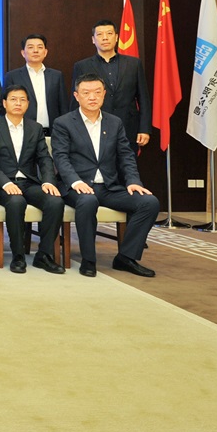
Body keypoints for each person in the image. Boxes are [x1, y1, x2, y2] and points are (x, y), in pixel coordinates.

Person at [51, 73, 160, 278]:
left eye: (97, 92)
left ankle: (126, 257)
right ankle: (88, 260)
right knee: (88, 201)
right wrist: (75, 181)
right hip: (78, 187)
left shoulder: (114, 122)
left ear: (104, 94)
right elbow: (61, 158)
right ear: (76, 96)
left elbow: (126, 155)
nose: (92, 97)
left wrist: (133, 181)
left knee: (149, 202)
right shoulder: (63, 123)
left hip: (109, 187)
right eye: (86, 93)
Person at [0, 85, 65, 275]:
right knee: (16, 202)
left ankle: (44, 254)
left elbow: (44, 158)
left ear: (28, 104)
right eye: (13, 99)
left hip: (29, 182)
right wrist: (6, 183)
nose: (18, 103)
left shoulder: (35, 128)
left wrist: (48, 181)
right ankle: (18, 255)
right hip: (1, 185)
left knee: (55, 201)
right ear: (4, 103)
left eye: (22, 100)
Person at [71, 19, 151, 154]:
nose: (105, 38)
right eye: (100, 34)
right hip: (95, 127)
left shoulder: (133, 64)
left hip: (128, 127)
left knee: (127, 164)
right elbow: (76, 101)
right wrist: (75, 130)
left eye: (109, 33)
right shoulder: (82, 66)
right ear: (93, 39)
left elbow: (143, 98)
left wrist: (144, 129)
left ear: (116, 37)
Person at [3, 34, 69, 135]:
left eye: (39, 47)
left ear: (45, 52)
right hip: (23, 131)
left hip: (52, 131)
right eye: (30, 47)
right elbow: (6, 107)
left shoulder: (56, 76)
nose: (35, 50)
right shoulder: (12, 76)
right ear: (23, 53)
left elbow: (63, 106)